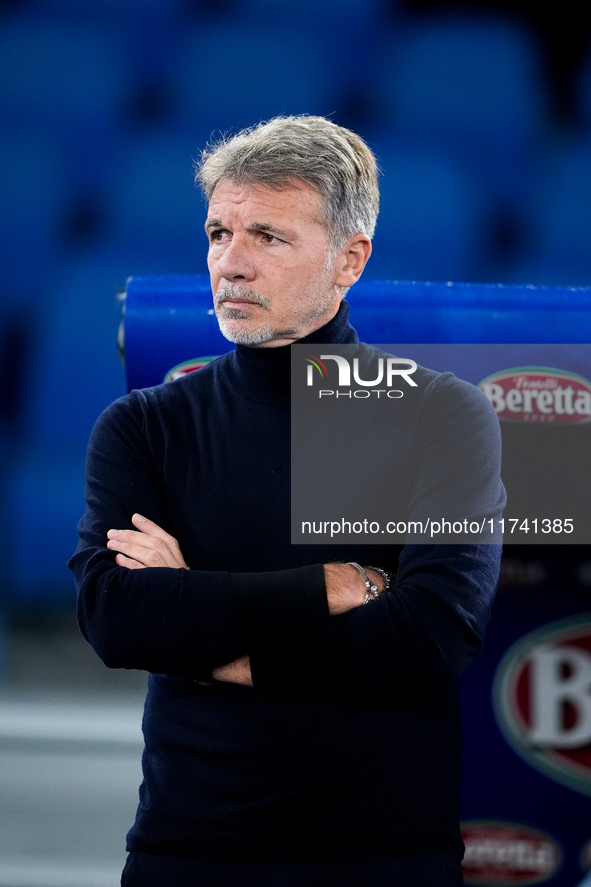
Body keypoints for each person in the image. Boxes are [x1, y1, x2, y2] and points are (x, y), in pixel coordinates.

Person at [69, 115, 505, 886]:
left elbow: (429, 633)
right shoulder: (144, 424)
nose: (229, 264)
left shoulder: (440, 413)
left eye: (267, 236)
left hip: (382, 852)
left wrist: (201, 632)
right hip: (187, 847)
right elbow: (116, 618)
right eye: (217, 232)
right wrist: (329, 586)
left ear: (349, 260)